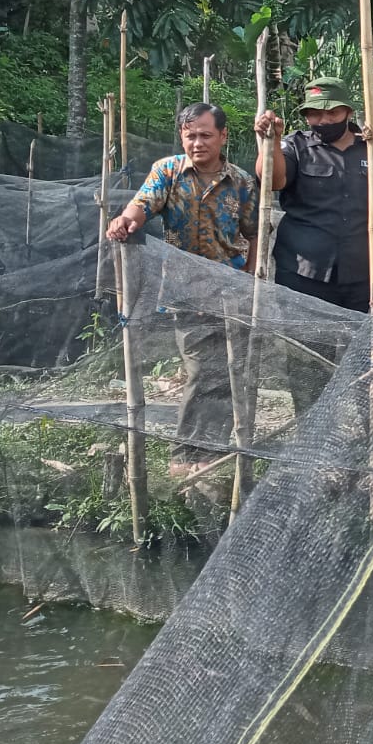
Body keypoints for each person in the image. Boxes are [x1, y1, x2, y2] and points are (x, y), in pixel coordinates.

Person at [107, 102, 258, 473]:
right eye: (190, 136)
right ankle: (185, 454)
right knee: (201, 369)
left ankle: (213, 451)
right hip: (185, 291)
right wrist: (125, 221)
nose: (197, 143)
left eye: (206, 135)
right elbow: (141, 205)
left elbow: (254, 233)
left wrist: (250, 278)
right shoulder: (169, 172)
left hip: (231, 291)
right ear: (181, 136)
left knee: (230, 371)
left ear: (223, 136)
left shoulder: (241, 181)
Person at [253, 77, 373, 313]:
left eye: (333, 113)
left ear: (348, 112)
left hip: (365, 276)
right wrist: (271, 142)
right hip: (303, 275)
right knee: (304, 337)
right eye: (315, 114)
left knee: (367, 337)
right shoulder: (295, 146)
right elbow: (272, 181)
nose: (324, 120)